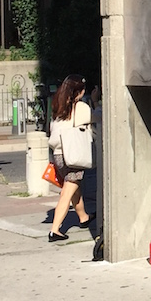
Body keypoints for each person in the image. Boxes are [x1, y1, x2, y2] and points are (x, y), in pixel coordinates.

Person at [47, 74, 94, 242]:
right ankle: (55, 230)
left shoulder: (58, 108)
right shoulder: (80, 108)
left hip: (59, 155)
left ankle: (83, 217)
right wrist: (94, 101)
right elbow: (94, 119)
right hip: (73, 155)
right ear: (79, 92)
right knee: (67, 192)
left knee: (74, 187)